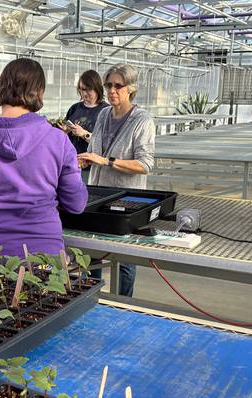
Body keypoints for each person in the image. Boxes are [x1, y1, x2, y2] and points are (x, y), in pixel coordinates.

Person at [0, 58, 87, 258]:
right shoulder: (58, 140)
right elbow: (76, 204)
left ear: (1, 87)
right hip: (45, 254)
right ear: (39, 92)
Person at [78, 64, 155, 297]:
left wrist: (106, 161)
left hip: (126, 200)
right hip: (98, 197)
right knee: (93, 254)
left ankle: (124, 303)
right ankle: (92, 300)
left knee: (124, 258)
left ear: (131, 89)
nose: (112, 90)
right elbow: (94, 153)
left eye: (118, 86)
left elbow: (145, 164)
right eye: (108, 85)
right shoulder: (103, 115)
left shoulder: (142, 120)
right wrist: (83, 161)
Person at [62, 70, 108, 180]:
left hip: (91, 168)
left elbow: (107, 143)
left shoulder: (106, 111)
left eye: (88, 89)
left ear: (97, 88)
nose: (84, 93)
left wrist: (84, 134)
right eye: (82, 89)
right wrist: (64, 131)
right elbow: (65, 135)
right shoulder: (75, 108)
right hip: (71, 164)